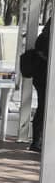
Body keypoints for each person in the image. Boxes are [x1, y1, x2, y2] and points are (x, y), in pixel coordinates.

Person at [30, 23, 49, 152]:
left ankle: (38, 141)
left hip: (41, 78)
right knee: (43, 109)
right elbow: (44, 56)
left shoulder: (42, 37)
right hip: (44, 79)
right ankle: (37, 141)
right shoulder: (45, 39)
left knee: (42, 108)